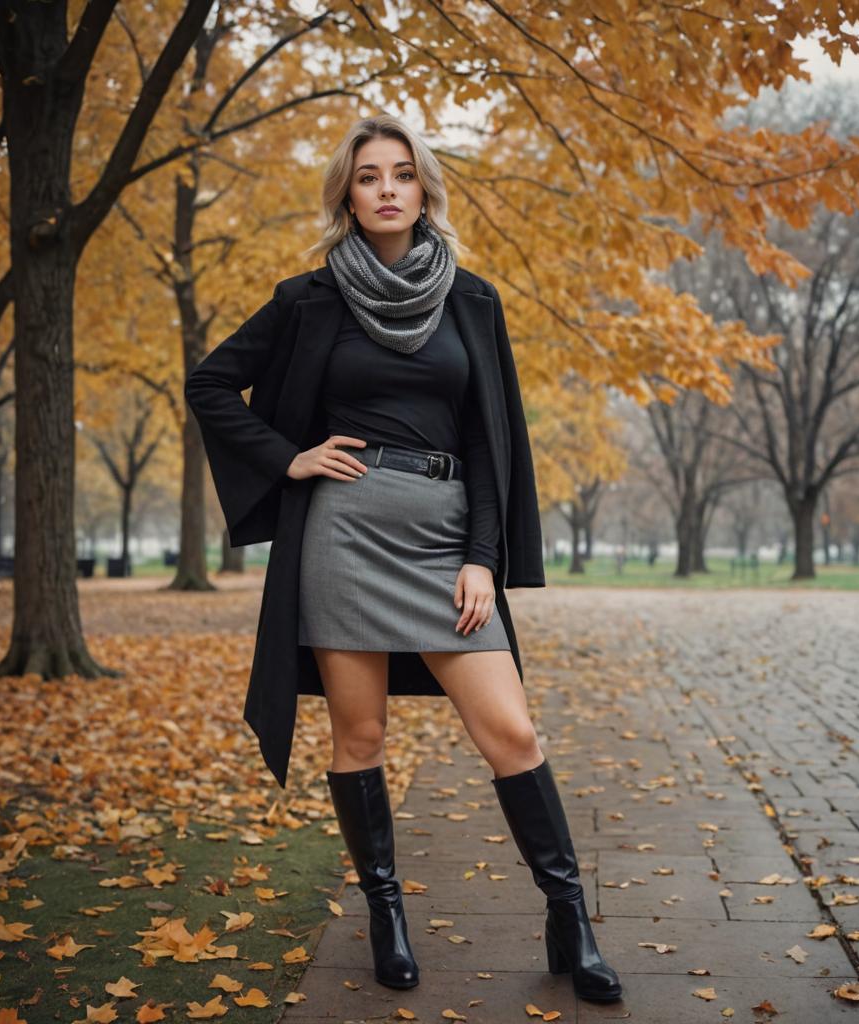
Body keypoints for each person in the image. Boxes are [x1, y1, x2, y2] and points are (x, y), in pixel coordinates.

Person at [190, 113, 621, 1004]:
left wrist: (482, 560)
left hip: (444, 536)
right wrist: (288, 457)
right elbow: (209, 383)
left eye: (401, 174)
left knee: (511, 733)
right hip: (343, 538)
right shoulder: (308, 299)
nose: (386, 188)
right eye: (367, 177)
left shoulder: (472, 299)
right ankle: (384, 914)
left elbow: (489, 438)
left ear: (425, 188)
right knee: (361, 736)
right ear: (347, 197)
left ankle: (568, 917)